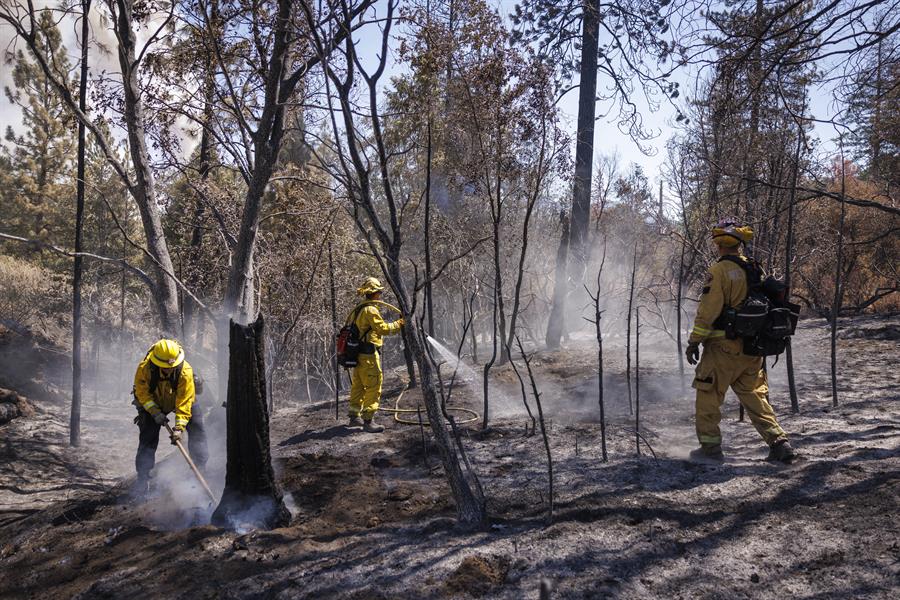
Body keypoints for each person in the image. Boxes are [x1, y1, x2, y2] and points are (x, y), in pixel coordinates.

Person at [685, 219, 797, 463]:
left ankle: (710, 449)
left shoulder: (719, 271)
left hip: (722, 349)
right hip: (752, 348)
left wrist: (694, 341)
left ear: (718, 244)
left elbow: (708, 311)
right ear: (739, 244)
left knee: (708, 395)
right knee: (755, 396)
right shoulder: (754, 268)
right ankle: (779, 443)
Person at [131, 339, 208, 493]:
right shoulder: (144, 369)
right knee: (148, 437)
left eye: (173, 366)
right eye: (166, 367)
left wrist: (179, 428)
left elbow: (184, 402)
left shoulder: (185, 371)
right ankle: (143, 478)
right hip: (154, 402)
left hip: (180, 400)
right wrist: (155, 412)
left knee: (197, 429)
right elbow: (142, 393)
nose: (170, 369)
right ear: (157, 363)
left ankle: (199, 468)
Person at [347, 277, 405, 433]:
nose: (380, 294)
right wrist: (400, 323)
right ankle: (368, 421)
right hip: (369, 355)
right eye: (379, 292)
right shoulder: (370, 310)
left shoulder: (359, 309)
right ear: (374, 293)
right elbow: (383, 329)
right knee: (374, 385)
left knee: (358, 385)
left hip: (358, 354)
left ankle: (354, 417)